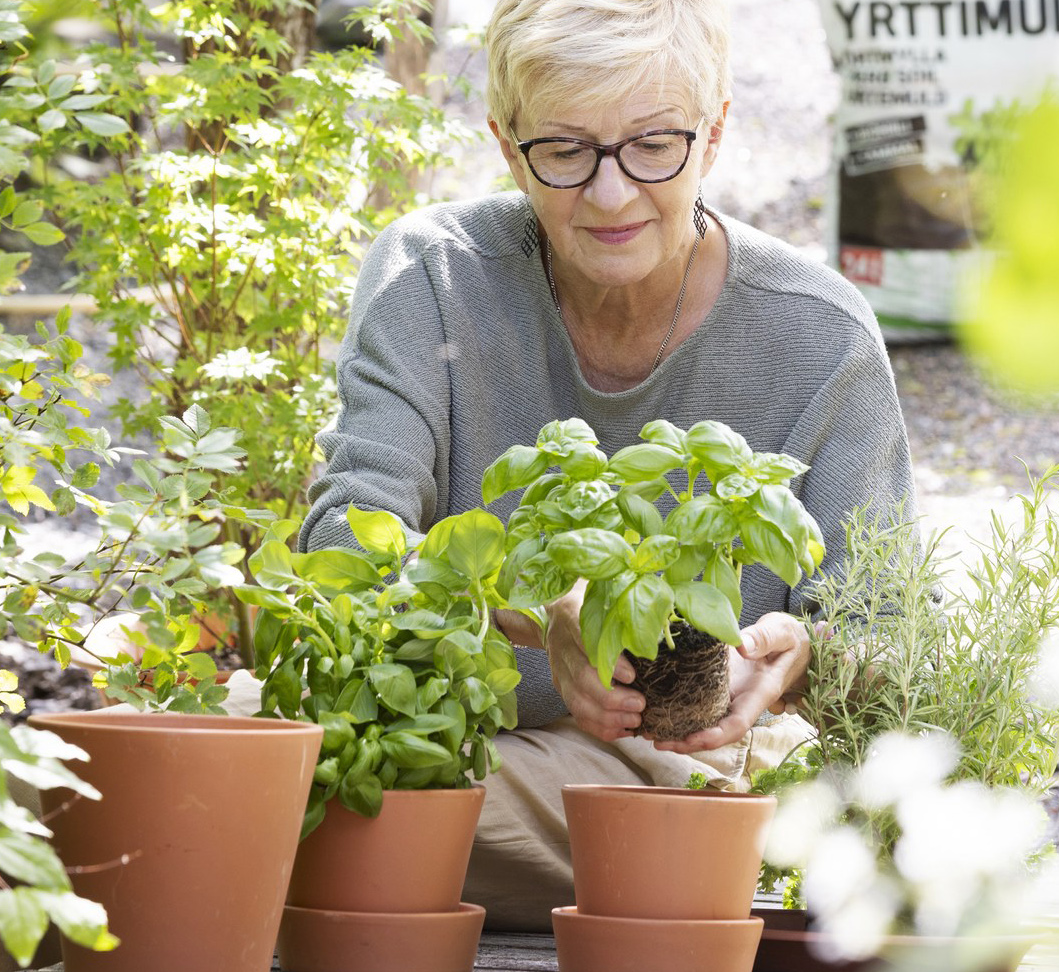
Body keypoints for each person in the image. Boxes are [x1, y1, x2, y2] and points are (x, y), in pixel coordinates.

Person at [299, 0, 916, 930]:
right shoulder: (431, 275)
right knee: (233, 759)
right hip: (460, 738)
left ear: (713, 133)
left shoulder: (819, 334)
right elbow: (344, 537)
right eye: (565, 151)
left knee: (287, 805)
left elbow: (892, 627)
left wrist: (800, 657)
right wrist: (531, 612)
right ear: (508, 147)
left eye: (651, 145)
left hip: (687, 772)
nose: (611, 193)